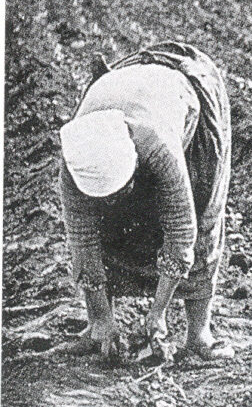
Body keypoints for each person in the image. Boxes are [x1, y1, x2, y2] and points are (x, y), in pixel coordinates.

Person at [59, 42, 234, 362]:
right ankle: (97, 327)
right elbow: (83, 243)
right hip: (120, 88)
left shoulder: (158, 147)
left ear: (134, 165)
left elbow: (182, 234)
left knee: (204, 211)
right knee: (104, 231)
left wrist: (158, 314)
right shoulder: (75, 161)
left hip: (180, 101)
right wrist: (102, 319)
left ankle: (199, 334)